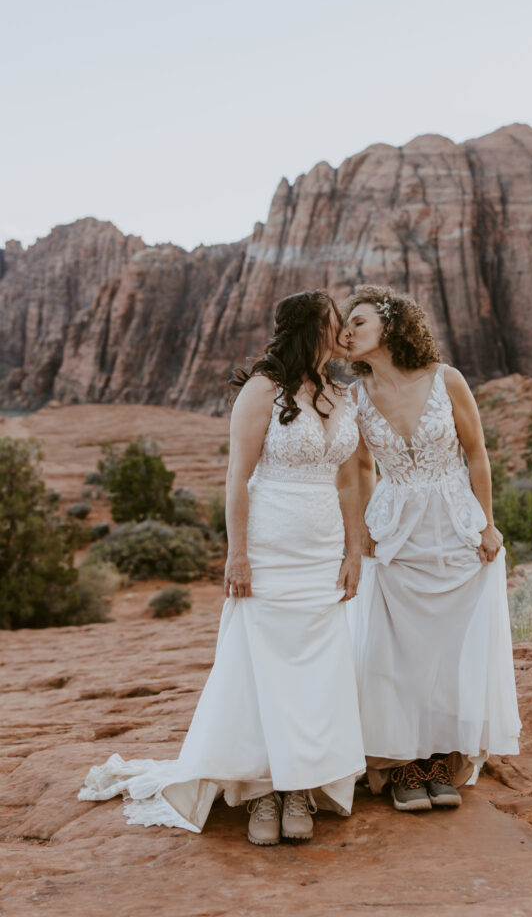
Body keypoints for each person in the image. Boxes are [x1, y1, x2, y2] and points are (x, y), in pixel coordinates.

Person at [79, 290, 366, 845]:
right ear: (313, 328)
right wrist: (237, 553)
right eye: (335, 323)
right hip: (269, 547)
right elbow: (238, 476)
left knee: (315, 669)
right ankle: (259, 790)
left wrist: (354, 550)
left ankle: (300, 785)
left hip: (322, 550)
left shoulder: (342, 393)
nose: (343, 334)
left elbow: (351, 480)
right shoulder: (264, 389)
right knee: (260, 664)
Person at [344, 284, 521, 812]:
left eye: (358, 322)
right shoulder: (355, 397)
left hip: (455, 525)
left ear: (391, 326)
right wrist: (365, 530)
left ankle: (443, 760)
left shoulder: (447, 379)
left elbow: (477, 453)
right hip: (395, 532)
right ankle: (403, 764)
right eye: (347, 325)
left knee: (450, 648)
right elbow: (358, 468)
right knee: (395, 652)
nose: (347, 332)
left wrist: (486, 524)